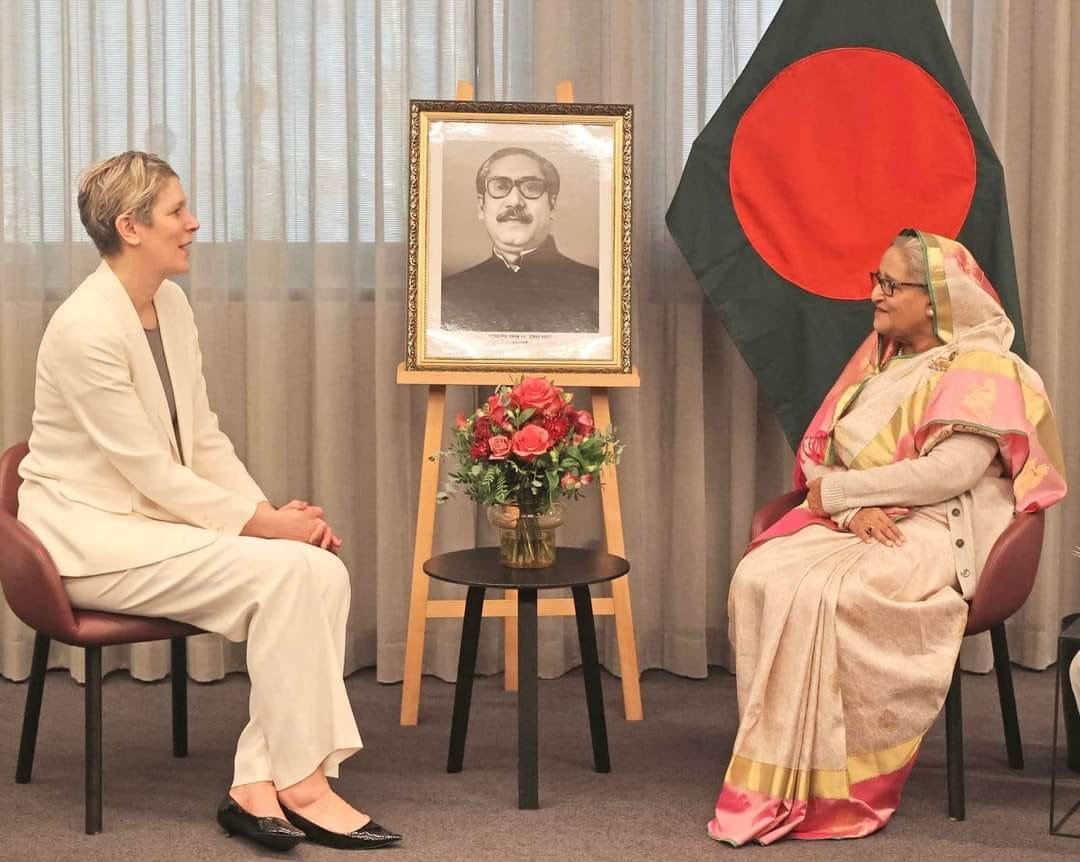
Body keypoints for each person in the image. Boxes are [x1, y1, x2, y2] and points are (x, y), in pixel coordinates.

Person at [16, 151, 402, 852]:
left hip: (149, 525)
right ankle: (303, 785)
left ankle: (258, 782)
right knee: (290, 574)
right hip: (87, 543)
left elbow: (201, 438)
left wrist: (270, 520)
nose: (193, 223)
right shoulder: (83, 329)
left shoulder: (170, 303)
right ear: (130, 226)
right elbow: (151, 472)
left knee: (320, 571)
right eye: (177, 211)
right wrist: (268, 527)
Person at [709, 229, 1066, 845]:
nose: (875, 294)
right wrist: (849, 508)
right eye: (877, 280)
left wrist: (840, 494)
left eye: (890, 284)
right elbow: (820, 459)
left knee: (839, 593)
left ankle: (842, 782)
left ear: (935, 298)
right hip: (859, 519)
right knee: (760, 575)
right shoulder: (878, 364)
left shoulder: (983, 366)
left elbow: (947, 474)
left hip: (939, 527)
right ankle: (780, 767)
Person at [440, 146, 600, 332]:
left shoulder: (598, 290)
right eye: (500, 186)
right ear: (481, 206)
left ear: (552, 205)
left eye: (531, 188)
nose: (515, 202)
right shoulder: (447, 294)